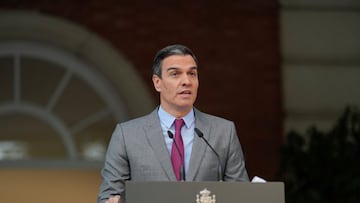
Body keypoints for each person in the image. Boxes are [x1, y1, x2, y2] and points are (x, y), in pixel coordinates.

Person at [98, 44, 249, 203]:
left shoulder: (223, 132)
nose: (186, 81)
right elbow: (109, 195)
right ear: (157, 82)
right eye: (175, 74)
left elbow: (240, 194)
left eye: (192, 73)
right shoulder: (127, 135)